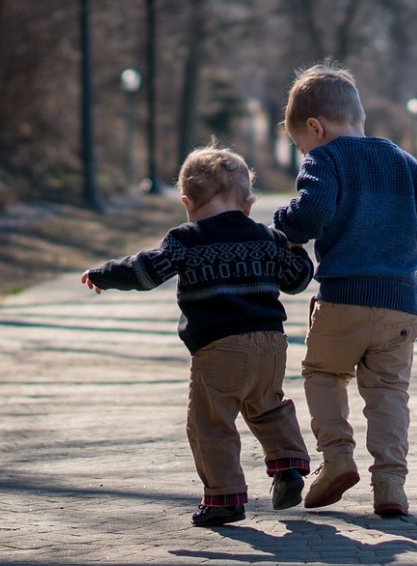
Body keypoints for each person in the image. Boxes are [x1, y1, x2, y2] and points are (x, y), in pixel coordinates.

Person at [82, 143, 314, 527]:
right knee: (269, 406)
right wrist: (296, 247)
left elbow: (146, 272)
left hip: (219, 347)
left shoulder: (185, 239)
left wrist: (106, 274)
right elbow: (296, 279)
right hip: (271, 344)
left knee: (210, 422)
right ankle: (288, 467)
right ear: (247, 204)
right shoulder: (265, 237)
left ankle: (224, 498)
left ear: (187, 202)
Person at [273, 61, 417, 517]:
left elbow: (310, 215)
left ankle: (336, 459)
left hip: (343, 299)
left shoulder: (325, 158)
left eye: (300, 144)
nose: (303, 152)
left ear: (316, 127)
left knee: (323, 374)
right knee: (389, 392)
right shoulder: (405, 163)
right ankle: (390, 485)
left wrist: (283, 223)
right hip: (400, 305)